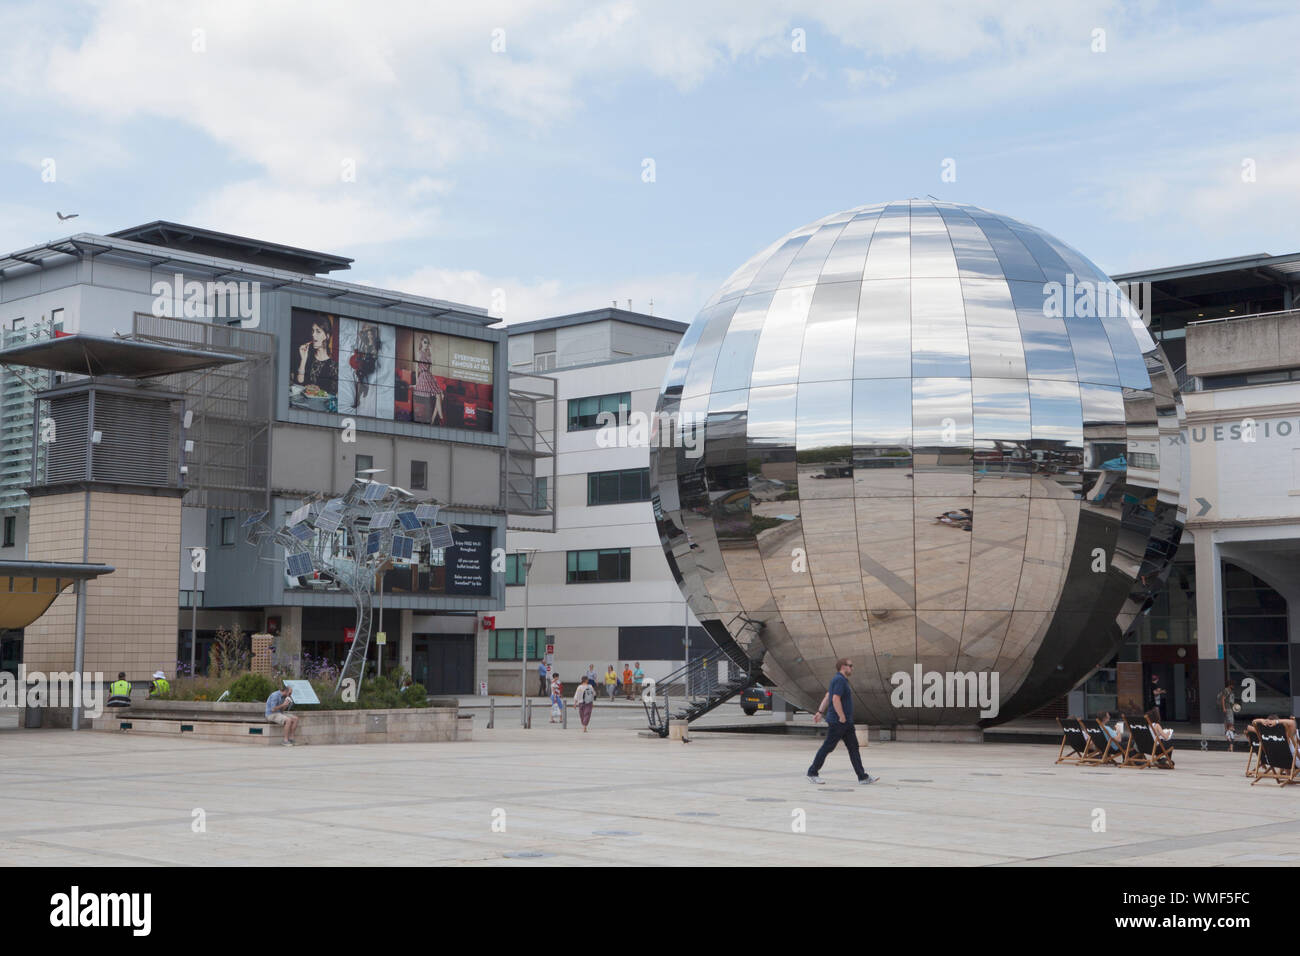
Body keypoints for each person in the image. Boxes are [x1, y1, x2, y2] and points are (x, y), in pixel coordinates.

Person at [807, 658, 877, 785]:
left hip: (846, 722)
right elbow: (835, 698)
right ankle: (812, 772)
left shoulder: (839, 680)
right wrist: (841, 716)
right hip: (839, 721)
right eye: (850, 666)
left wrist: (819, 711)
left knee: (853, 748)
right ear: (843, 667)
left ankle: (862, 777)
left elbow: (827, 696)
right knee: (828, 747)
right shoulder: (839, 680)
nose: (852, 668)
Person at [295, 315, 337, 393]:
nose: (313, 335)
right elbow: (299, 383)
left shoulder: (333, 366)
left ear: (327, 336)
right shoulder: (307, 356)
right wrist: (303, 359)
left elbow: (332, 395)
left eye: (318, 331)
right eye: (312, 331)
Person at [414, 337, 445, 425]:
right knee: (438, 395)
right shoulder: (419, 353)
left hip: (429, 376)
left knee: (440, 395)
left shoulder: (429, 354)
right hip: (423, 377)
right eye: (425, 342)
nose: (426, 344)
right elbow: (416, 368)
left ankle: (433, 420)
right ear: (421, 342)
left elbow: (432, 366)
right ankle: (441, 419)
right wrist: (416, 382)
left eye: (427, 343)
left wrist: (432, 351)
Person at [1218, 680, 1237, 750]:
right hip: (1227, 707)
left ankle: (1228, 732)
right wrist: (1224, 708)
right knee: (1230, 719)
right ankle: (1231, 731)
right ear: (1230, 685)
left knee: (1228, 719)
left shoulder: (1231, 691)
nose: (1234, 686)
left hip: (1230, 707)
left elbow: (1231, 700)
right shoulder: (1226, 690)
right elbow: (1223, 699)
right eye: (1233, 685)